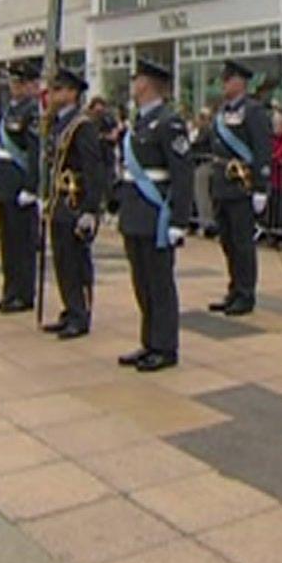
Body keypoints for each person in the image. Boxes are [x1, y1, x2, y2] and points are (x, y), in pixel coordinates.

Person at [115, 57, 194, 373]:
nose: (133, 86)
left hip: (156, 213)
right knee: (142, 282)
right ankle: (149, 341)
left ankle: (165, 346)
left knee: (160, 283)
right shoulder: (139, 121)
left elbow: (182, 174)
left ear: (145, 84)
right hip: (135, 211)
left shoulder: (169, 122)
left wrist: (178, 221)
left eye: (136, 80)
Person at [43, 68, 107, 339]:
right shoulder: (59, 123)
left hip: (75, 201)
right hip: (60, 199)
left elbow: (94, 169)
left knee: (76, 260)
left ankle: (81, 314)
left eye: (59, 90)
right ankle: (69, 309)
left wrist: (90, 210)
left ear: (72, 93)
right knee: (61, 259)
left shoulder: (83, 126)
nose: (53, 95)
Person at [207, 60, 272, 316]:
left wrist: (261, 186)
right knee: (228, 242)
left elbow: (262, 149)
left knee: (243, 243)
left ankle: (246, 293)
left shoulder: (253, 111)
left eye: (227, 80)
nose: (223, 85)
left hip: (242, 185)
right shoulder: (222, 111)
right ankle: (234, 289)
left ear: (240, 82)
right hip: (223, 183)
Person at [0, 60, 42, 312]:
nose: (15, 87)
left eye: (21, 83)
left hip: (21, 185)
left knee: (23, 244)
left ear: (33, 85)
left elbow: (35, 154)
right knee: (7, 242)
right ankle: (9, 290)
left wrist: (32, 188)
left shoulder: (33, 113)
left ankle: (24, 293)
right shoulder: (9, 111)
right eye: (13, 82)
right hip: (5, 183)